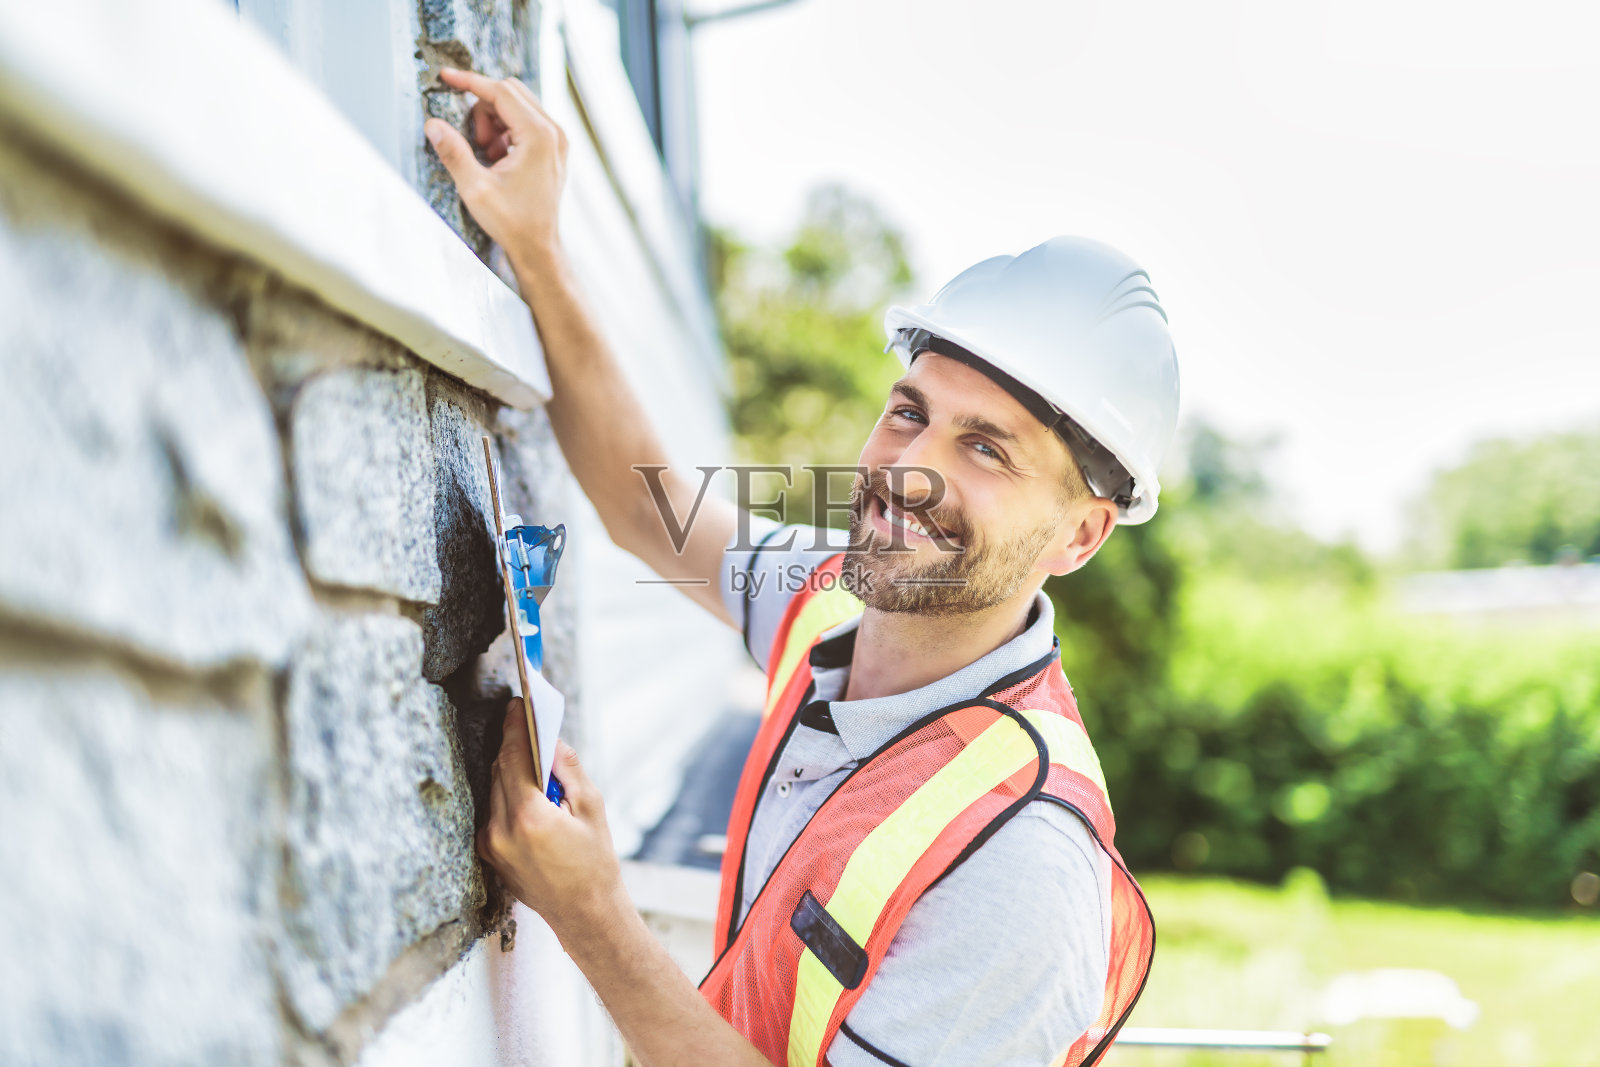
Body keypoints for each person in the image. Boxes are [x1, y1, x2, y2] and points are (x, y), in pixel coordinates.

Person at [425, 67, 1175, 1067]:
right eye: (909, 411)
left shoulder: (1022, 859)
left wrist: (594, 913)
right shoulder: (829, 601)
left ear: (1080, 534)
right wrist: (536, 247)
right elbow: (651, 511)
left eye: (987, 448)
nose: (909, 468)